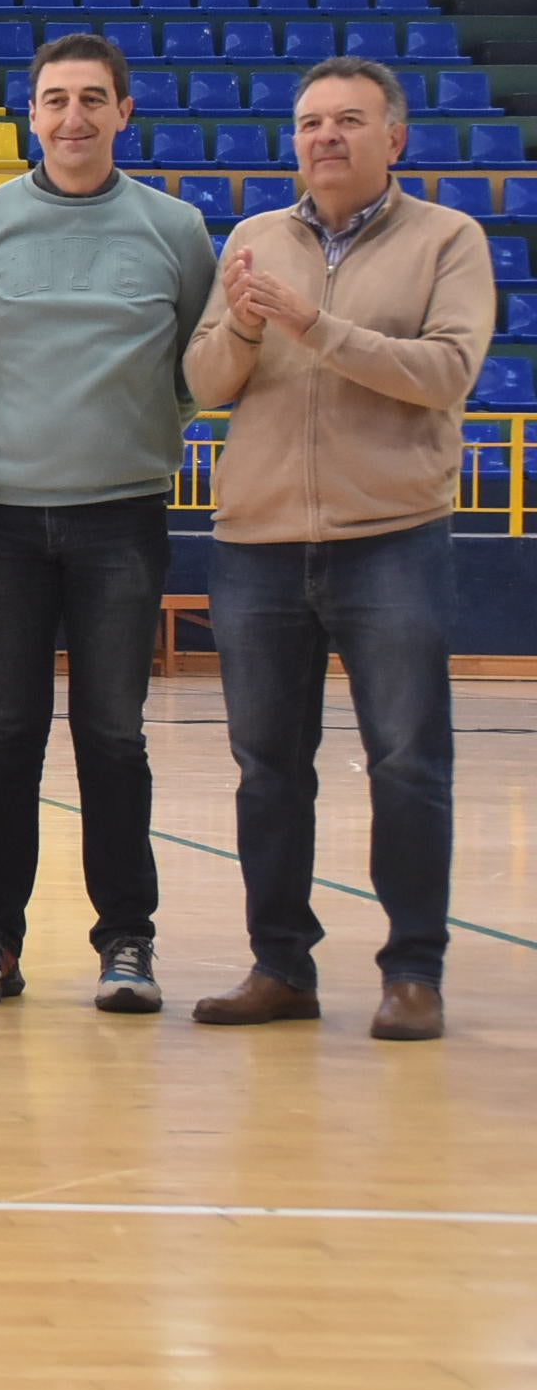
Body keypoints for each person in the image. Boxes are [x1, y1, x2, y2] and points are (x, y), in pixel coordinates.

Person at [184, 56, 494, 1044]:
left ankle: (412, 971)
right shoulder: (251, 237)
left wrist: (315, 324)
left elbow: (444, 372)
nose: (324, 135)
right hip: (257, 539)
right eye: (310, 120)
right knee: (266, 767)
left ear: (393, 138)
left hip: (390, 536)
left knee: (407, 759)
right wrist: (238, 323)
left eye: (348, 120)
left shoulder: (450, 237)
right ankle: (279, 965)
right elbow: (202, 380)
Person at [0, 32, 217, 1013]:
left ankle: (125, 939)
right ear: (31, 113)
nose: (73, 117)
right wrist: (12, 443)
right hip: (1, 517)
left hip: (121, 519)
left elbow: (197, 367)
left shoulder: (174, 228)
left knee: (113, 735)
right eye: (55, 99)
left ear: (123, 111)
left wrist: (129, 436)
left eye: (93, 99)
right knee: (6, 733)